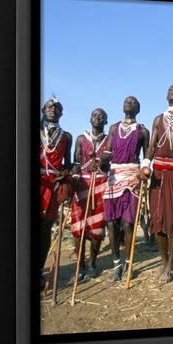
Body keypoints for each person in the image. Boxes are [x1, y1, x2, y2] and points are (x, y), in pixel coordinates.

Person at [140, 84, 173, 283]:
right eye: (170, 89)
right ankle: (163, 261)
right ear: (166, 96)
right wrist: (145, 165)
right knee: (158, 220)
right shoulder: (157, 119)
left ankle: (171, 264)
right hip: (158, 174)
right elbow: (152, 146)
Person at [102, 96, 150, 281]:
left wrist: (145, 170)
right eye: (126, 101)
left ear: (138, 109)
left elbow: (147, 157)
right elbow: (107, 152)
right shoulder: (114, 129)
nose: (129, 103)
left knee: (128, 223)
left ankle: (129, 264)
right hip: (114, 178)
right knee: (112, 224)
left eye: (133, 102)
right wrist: (101, 162)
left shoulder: (143, 131)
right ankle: (116, 264)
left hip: (132, 177)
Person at [69, 108, 109, 281]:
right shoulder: (80, 139)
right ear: (90, 119)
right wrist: (76, 175)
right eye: (95, 115)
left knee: (97, 227)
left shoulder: (108, 140)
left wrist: (99, 163)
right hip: (82, 184)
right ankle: (80, 266)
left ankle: (92, 263)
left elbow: (109, 161)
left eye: (101, 116)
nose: (98, 117)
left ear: (106, 121)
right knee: (79, 227)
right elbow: (75, 163)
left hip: (101, 183)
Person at [39, 97, 73, 283]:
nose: (53, 109)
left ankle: (39, 270)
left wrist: (68, 173)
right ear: (43, 109)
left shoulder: (66, 136)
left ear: (61, 113)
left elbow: (66, 164)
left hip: (53, 185)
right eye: (49, 106)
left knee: (45, 228)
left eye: (57, 107)